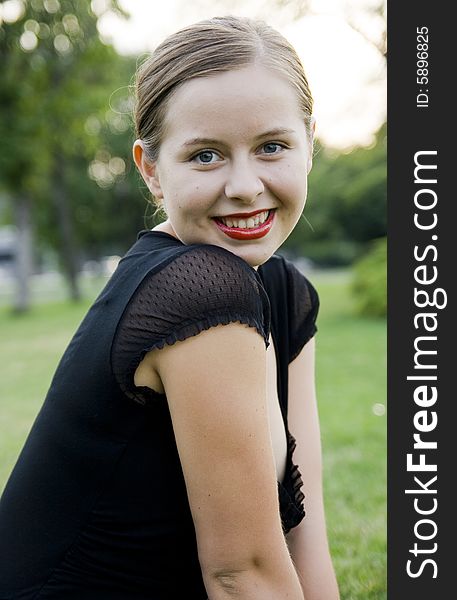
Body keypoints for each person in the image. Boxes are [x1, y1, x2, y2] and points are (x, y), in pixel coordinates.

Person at [0, 15, 339, 600]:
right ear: (151, 170)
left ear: (310, 143)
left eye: (272, 147)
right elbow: (243, 576)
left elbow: (302, 532)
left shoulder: (282, 288)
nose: (244, 185)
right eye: (205, 156)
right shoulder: (200, 289)